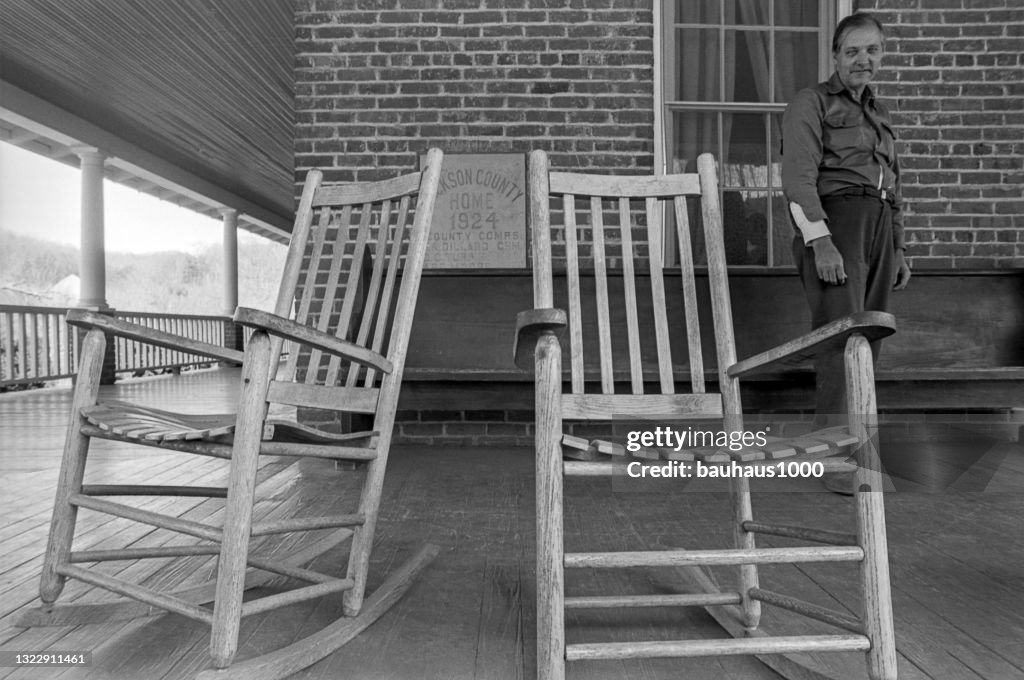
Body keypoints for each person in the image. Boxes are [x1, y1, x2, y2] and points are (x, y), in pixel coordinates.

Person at [782, 12, 912, 493]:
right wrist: (820, 240)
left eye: (872, 50)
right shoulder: (811, 102)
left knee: (868, 342)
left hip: (877, 229)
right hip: (837, 224)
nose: (864, 59)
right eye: (853, 50)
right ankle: (834, 461)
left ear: (882, 54)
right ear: (835, 56)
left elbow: (892, 185)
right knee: (840, 341)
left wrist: (897, 247)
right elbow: (797, 177)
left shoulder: (878, 114)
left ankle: (859, 452)